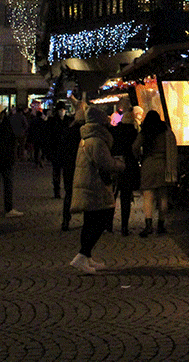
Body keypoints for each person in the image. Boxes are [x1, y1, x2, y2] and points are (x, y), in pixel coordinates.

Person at [69, 105, 123, 274]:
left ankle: (87, 256)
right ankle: (82, 256)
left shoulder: (87, 138)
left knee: (90, 221)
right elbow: (106, 163)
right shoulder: (97, 141)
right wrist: (120, 165)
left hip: (88, 184)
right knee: (100, 220)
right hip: (95, 186)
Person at [134, 109, 178, 237]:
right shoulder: (166, 132)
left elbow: (135, 147)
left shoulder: (145, 132)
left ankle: (148, 226)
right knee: (163, 196)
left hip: (148, 164)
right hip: (164, 165)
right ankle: (161, 225)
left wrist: (139, 157)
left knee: (148, 196)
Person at [0, 102, 23, 218]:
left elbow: (12, 139)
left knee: (8, 184)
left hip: (7, 159)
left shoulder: (6, 123)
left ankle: (8, 208)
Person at [110, 105, 140, 236]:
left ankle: (108, 224)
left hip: (115, 164)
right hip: (129, 166)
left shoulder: (115, 130)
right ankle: (124, 226)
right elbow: (136, 149)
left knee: (112, 196)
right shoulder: (134, 132)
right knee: (126, 197)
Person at [59, 103, 83, 231]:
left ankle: (65, 220)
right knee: (85, 193)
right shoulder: (84, 132)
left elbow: (62, 149)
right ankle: (87, 221)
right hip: (81, 166)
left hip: (68, 166)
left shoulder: (68, 131)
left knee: (69, 193)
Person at [43, 104, 68, 198]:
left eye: (63, 109)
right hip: (56, 150)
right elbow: (48, 137)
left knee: (65, 172)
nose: (62, 111)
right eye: (60, 109)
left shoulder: (68, 120)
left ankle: (66, 190)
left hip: (65, 151)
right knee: (56, 172)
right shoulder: (52, 121)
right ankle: (56, 190)